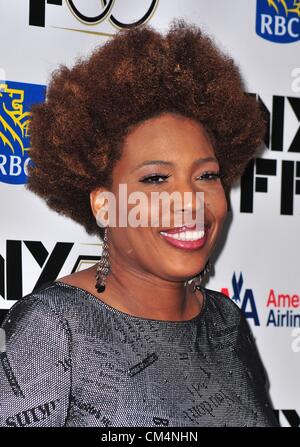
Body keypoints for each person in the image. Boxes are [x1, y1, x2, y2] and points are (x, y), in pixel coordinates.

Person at [0, 19, 279, 427]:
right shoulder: (53, 329)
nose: (189, 201)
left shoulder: (225, 322)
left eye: (207, 175)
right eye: (155, 179)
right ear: (104, 204)